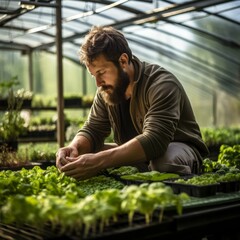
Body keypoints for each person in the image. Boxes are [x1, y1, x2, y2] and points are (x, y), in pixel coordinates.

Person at [56, 25, 209, 180]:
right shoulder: (107, 89)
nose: (98, 83)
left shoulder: (161, 84)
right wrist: (73, 147)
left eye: (101, 72)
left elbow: (154, 141)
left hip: (176, 149)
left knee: (164, 162)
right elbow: (92, 129)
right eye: (93, 75)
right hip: (141, 156)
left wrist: (100, 161)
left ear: (123, 61)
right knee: (83, 153)